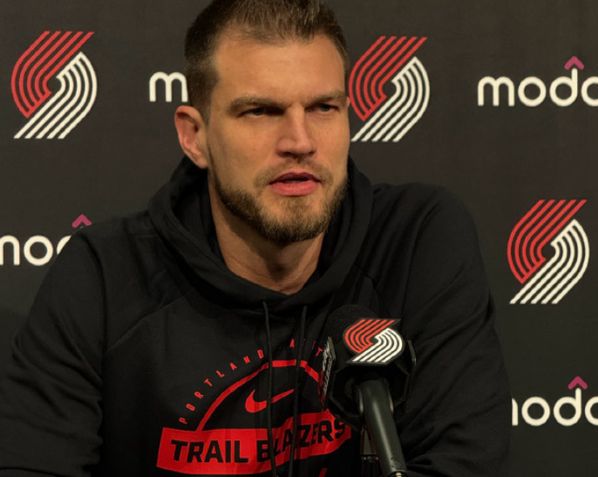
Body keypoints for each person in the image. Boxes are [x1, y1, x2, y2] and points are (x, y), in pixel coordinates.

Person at [0, 1, 510, 476]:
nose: (300, 142)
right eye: (261, 111)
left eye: (323, 108)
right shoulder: (104, 277)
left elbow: (463, 463)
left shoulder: (415, 241)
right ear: (194, 136)